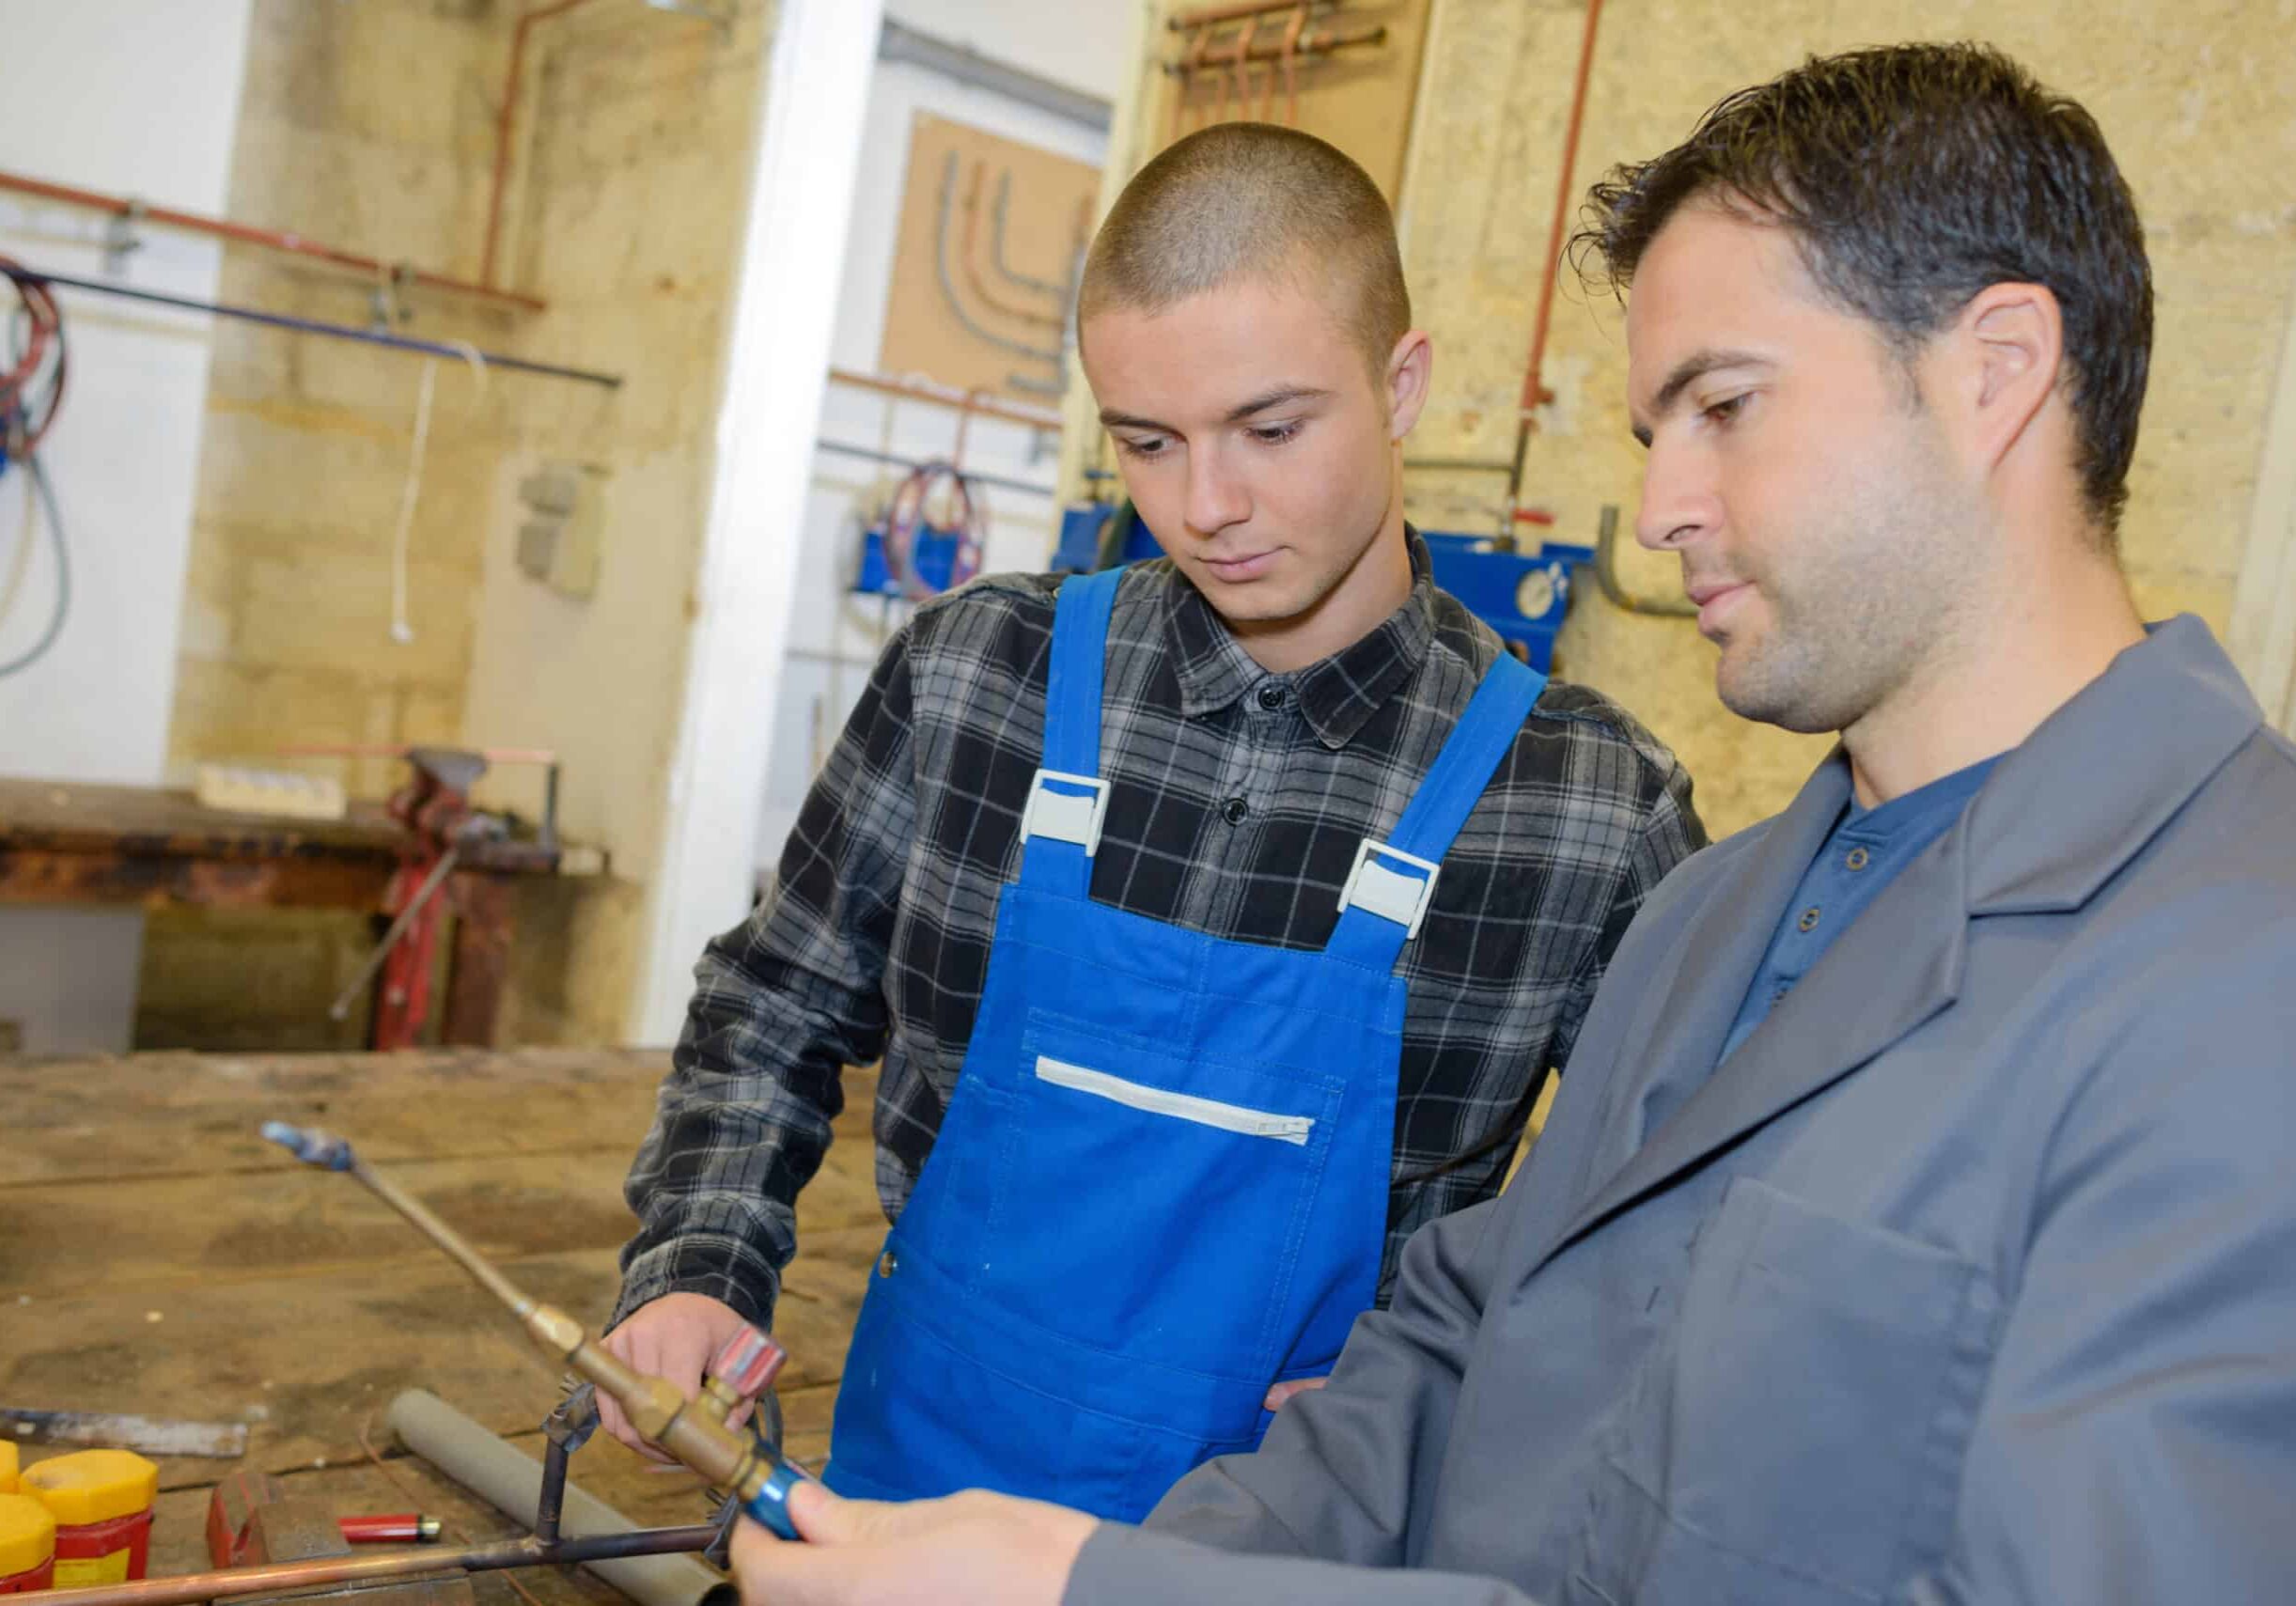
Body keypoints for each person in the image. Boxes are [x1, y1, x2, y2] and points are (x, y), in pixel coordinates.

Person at [726, 40, 2296, 1606]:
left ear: (1997, 371)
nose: (1665, 505)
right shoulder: (1718, 919)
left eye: (1724, 406)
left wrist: (1092, 1589)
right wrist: (1082, 1567)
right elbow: (1458, 1358)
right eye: (1651, 434)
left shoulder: (2241, 986)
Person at [601, 122, 1704, 1522]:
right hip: (912, 1511)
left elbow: (1669, 1219)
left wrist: (1471, 1369)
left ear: (1402, 381)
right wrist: (699, 1264)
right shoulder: (975, 678)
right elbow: (772, 1004)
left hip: (1292, 1540)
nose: (1208, 506)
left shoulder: (1591, 810)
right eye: (1147, 441)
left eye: (1271, 427)